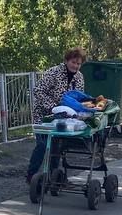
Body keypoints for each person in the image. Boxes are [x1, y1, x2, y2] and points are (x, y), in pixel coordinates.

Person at [26, 48, 87, 189]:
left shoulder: (79, 77)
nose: (75, 66)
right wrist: (53, 107)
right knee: (43, 145)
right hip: (44, 116)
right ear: (66, 60)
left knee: (57, 146)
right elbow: (38, 90)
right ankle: (31, 175)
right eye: (73, 62)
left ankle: (54, 177)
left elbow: (79, 97)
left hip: (65, 118)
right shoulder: (54, 72)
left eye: (78, 63)